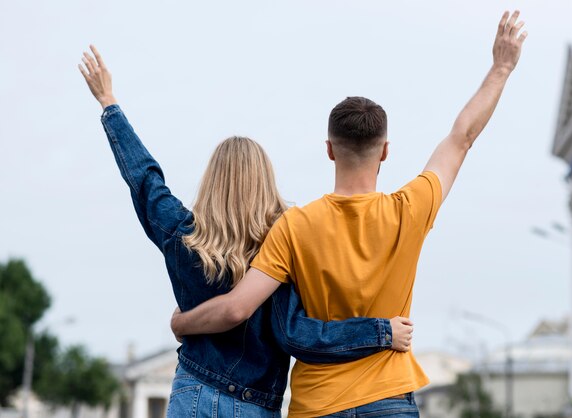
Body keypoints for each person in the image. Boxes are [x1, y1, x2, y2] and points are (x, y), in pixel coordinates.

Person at [170, 10, 527, 417]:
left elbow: (237, 309)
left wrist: (183, 324)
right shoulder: (410, 208)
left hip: (317, 406)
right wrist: (501, 67)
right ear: (385, 151)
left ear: (329, 149)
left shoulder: (295, 225)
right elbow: (462, 137)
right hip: (389, 400)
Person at [78, 46, 414, 418]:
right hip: (257, 405)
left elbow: (144, 179)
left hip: (192, 394)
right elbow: (297, 333)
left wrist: (109, 104)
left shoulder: (180, 233)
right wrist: (379, 332)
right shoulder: (283, 242)